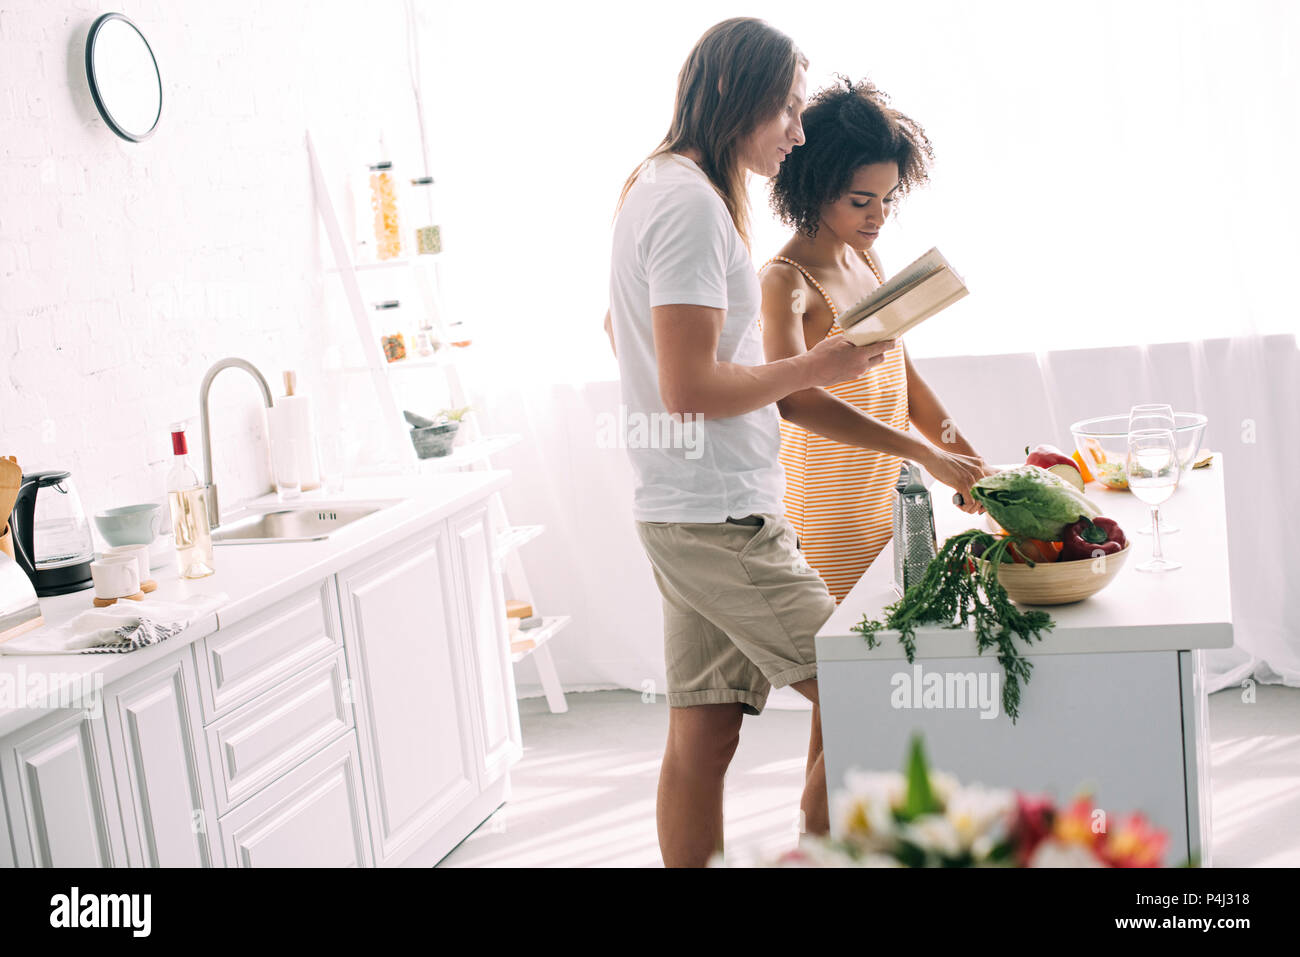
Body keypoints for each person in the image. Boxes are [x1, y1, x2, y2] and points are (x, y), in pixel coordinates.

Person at [604, 18, 894, 867]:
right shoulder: (691, 205)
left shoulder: (655, 185)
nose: (798, 133)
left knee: (702, 741)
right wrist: (819, 363)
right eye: (789, 111)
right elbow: (688, 389)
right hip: (722, 519)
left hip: (683, 510)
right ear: (737, 96)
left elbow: (622, 334)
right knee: (870, 690)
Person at [759, 76, 994, 603]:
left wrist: (969, 463)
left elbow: (903, 378)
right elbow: (794, 402)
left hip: (889, 498)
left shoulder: (866, 258)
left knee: (901, 641)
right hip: (831, 515)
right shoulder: (785, 281)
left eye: (887, 198)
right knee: (855, 656)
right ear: (813, 187)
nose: (879, 216)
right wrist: (928, 455)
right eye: (862, 200)